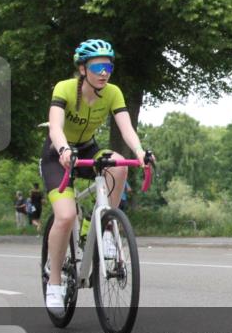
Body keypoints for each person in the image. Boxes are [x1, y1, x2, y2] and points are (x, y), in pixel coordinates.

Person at [41, 39, 152, 315]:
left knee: (118, 165)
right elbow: (55, 127)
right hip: (59, 155)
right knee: (65, 216)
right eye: (98, 66)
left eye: (109, 66)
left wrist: (139, 151)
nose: (105, 72)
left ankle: (103, 227)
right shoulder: (64, 88)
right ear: (82, 68)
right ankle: (54, 282)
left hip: (88, 148)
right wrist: (64, 149)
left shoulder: (113, 92)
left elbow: (126, 128)